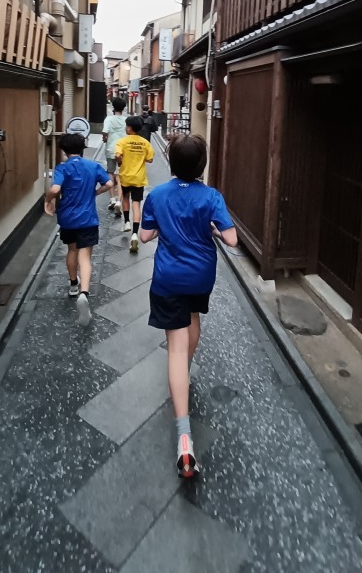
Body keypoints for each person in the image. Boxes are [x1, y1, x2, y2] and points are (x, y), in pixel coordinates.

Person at [139, 134, 237, 477]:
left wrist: (164, 228)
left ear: (172, 162)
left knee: (175, 351)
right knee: (193, 316)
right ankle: (185, 370)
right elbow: (232, 238)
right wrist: (211, 228)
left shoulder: (158, 195)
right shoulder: (211, 196)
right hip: (200, 277)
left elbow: (145, 235)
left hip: (169, 278)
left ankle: (184, 441)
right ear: (201, 165)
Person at [45, 133, 113, 326]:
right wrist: (95, 192)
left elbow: (56, 189)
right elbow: (109, 183)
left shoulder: (62, 168)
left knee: (72, 250)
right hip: (88, 218)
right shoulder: (92, 166)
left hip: (68, 218)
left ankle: (73, 284)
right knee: (86, 257)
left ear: (64, 150)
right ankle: (84, 292)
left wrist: (48, 200)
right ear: (83, 148)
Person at [114, 116, 154, 253]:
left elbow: (117, 155)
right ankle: (135, 234)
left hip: (125, 176)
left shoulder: (122, 141)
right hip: (138, 178)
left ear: (130, 128)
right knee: (136, 204)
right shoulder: (145, 143)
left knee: (125, 198)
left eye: (126, 126)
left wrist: (120, 161)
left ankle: (126, 222)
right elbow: (150, 159)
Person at [101, 97, 127, 217]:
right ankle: (119, 201)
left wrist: (105, 139)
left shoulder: (109, 119)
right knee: (120, 175)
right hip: (123, 150)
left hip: (111, 149)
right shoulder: (126, 120)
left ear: (113, 107)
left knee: (110, 173)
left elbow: (105, 132)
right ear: (124, 108)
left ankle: (112, 199)